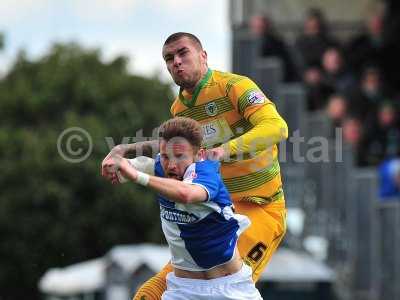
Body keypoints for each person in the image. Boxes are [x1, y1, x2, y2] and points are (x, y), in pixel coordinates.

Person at [102, 32, 288, 300]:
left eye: (183, 53)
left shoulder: (234, 86)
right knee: (148, 294)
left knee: (224, 286)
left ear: (203, 56)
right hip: (215, 215)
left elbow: (277, 127)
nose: (176, 62)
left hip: (260, 209)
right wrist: (125, 151)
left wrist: (224, 150)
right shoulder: (179, 108)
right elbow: (175, 151)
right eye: (169, 58)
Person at [105, 117, 263, 299]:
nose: (171, 165)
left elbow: (186, 194)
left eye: (180, 156)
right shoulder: (159, 168)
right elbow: (129, 165)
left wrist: (135, 175)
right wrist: (115, 160)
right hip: (183, 290)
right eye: (165, 157)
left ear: (199, 154)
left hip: (230, 289)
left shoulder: (207, 172)